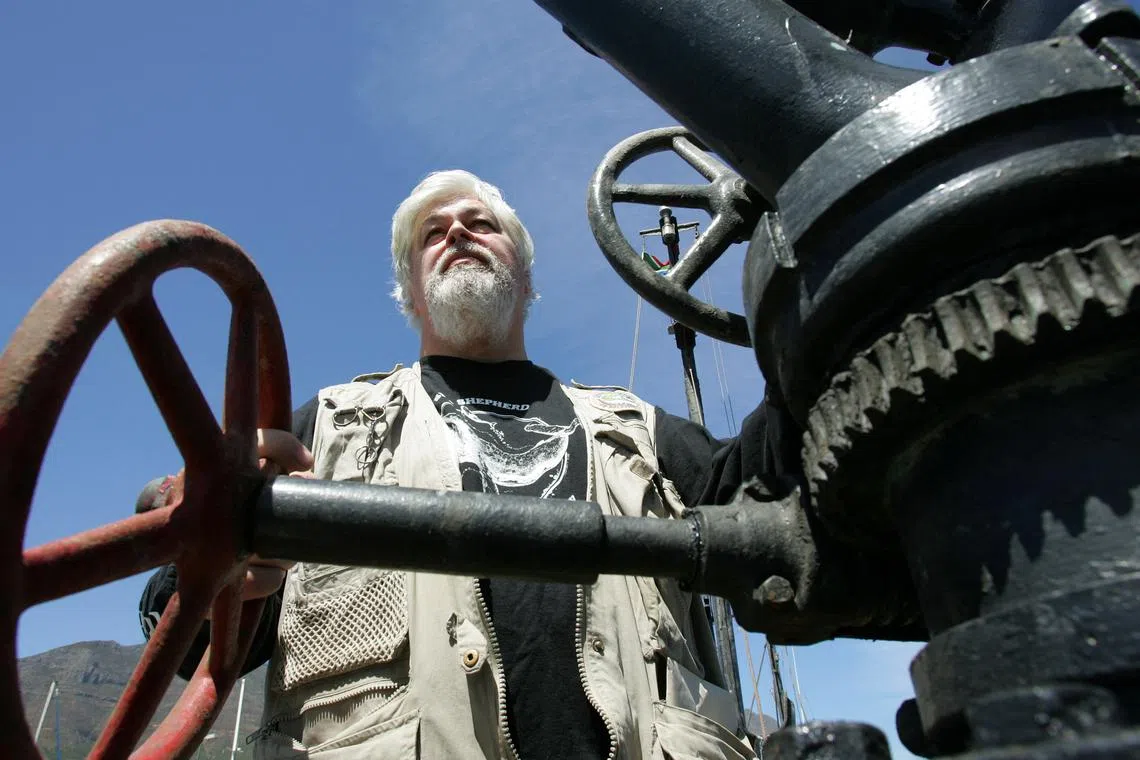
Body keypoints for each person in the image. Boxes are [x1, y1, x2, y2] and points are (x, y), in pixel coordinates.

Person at [139, 170, 771, 759]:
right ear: (410, 293)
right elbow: (185, 643)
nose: (458, 234)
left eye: (481, 224)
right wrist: (217, 566)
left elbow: (775, 501)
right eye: (432, 234)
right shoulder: (323, 430)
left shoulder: (638, 430)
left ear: (525, 277)